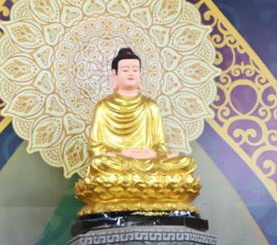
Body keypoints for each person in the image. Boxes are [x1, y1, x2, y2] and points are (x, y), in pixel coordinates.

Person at [76, 47, 199, 215]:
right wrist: (122, 153)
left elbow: (160, 145)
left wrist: (152, 153)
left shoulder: (150, 106)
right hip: (118, 163)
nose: (131, 73)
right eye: (125, 69)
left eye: (135, 69)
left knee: (184, 162)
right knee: (100, 164)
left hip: (149, 162)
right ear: (115, 74)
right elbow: (95, 149)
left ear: (140, 73)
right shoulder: (104, 107)